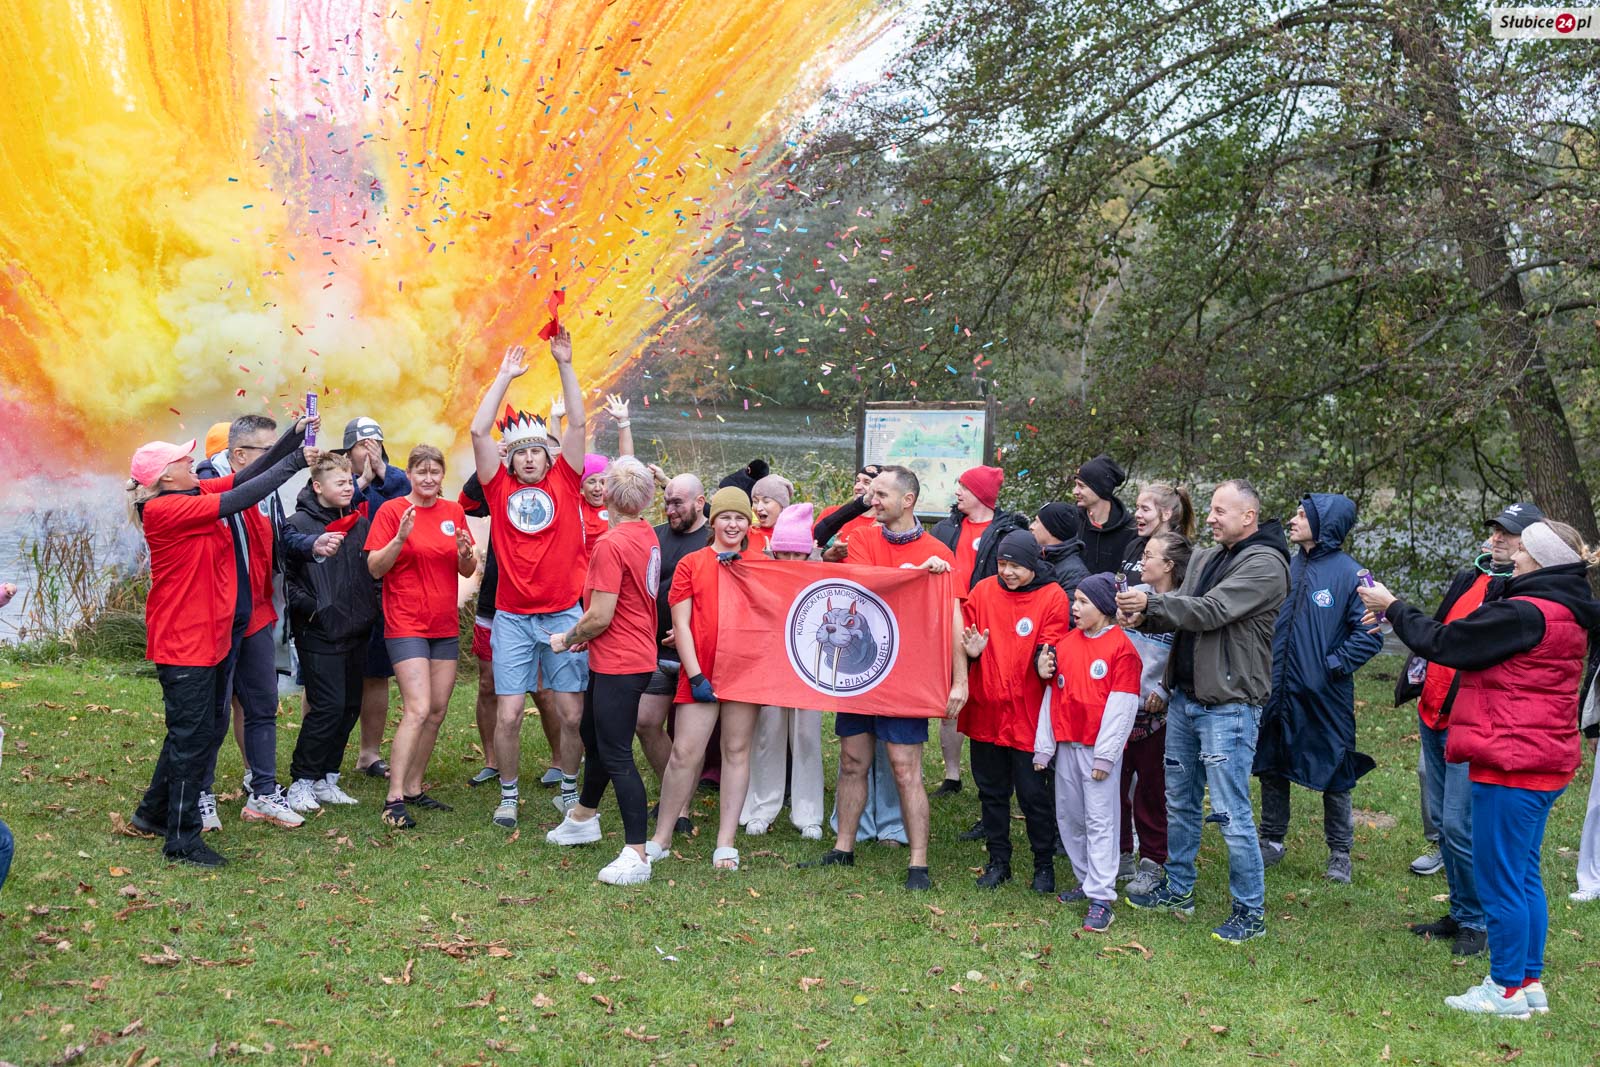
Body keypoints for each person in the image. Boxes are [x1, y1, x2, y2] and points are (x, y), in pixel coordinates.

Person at [1358, 520, 1600, 1018]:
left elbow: (1447, 643)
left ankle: (1506, 988)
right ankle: (1529, 982)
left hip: (1513, 759)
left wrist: (1393, 607)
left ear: (1540, 558)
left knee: (1502, 879)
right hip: (1539, 757)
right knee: (1523, 875)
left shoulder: (1527, 612)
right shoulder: (1560, 606)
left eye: (1523, 549)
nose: (1513, 553)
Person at [126, 428, 315, 866]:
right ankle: (182, 839)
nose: (190, 462)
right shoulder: (167, 508)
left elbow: (247, 479)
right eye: (180, 460)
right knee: (193, 739)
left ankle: (152, 813)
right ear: (163, 478)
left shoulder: (189, 489)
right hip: (184, 642)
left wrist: (291, 439)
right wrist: (296, 463)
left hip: (209, 637)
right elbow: (241, 499)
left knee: (198, 731)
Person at [1119, 480, 1290, 944]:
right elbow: (1184, 611)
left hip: (1229, 706)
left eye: (1219, 510)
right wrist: (1145, 614)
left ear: (1249, 515)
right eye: (1211, 510)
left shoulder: (1266, 564)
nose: (1209, 518)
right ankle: (1179, 889)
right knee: (1180, 801)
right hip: (1186, 698)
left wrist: (1153, 603)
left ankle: (1249, 912)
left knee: (1232, 812)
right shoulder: (1212, 556)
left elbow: (1213, 610)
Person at [803, 465, 968, 891]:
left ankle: (918, 864)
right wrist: (914, 572)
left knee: (905, 768)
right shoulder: (860, 540)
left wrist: (960, 680)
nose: (871, 502)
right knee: (852, 761)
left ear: (907, 500)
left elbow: (954, 621)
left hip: (908, 676)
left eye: (880, 495)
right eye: (871, 494)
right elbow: (866, 589)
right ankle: (843, 848)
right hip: (861, 674)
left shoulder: (940, 553)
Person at [1394, 507, 1533, 955]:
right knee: (1442, 823)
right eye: (1494, 532)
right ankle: (1460, 911)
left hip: (1470, 724)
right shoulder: (1471, 578)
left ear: (1530, 545)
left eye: (1508, 536)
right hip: (1434, 713)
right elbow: (1440, 631)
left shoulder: (1518, 598)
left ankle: (1477, 920)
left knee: (1458, 826)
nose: (1496, 541)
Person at [469, 331, 589, 829]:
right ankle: (509, 795)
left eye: (537, 451)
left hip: (563, 613)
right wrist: (503, 377)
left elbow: (579, 422)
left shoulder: (567, 479)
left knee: (571, 715)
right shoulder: (497, 489)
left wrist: (565, 362)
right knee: (510, 713)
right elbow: (478, 433)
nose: (530, 459)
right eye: (520, 453)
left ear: (548, 454)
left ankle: (567, 787)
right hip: (514, 618)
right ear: (510, 459)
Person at [544, 458, 663, 886]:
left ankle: (637, 853)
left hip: (621, 661)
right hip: (622, 656)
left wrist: (566, 637)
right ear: (648, 498)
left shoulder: (610, 545)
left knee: (616, 754)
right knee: (594, 737)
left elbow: (600, 615)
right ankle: (582, 818)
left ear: (607, 495)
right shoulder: (646, 532)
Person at [1254, 494, 1384, 884]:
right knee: (1271, 761)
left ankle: (1340, 852)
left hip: (1325, 696)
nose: (1292, 521)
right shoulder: (1286, 567)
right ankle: (1271, 839)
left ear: (1324, 525)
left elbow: (1371, 634)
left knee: (1336, 769)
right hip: (1276, 691)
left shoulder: (1354, 575)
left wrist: (1332, 666)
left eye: (1301, 515)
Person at [645, 486, 762, 870]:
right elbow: (681, 623)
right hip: (701, 671)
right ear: (713, 522)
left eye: (740, 518)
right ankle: (662, 836)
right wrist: (695, 675)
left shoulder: (760, 563)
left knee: (736, 751)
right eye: (725, 517)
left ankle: (725, 841)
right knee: (683, 753)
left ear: (748, 524)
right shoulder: (692, 563)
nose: (732, 523)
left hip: (744, 672)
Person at [364, 445, 477, 829]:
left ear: (442, 475)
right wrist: (399, 538)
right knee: (417, 707)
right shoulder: (393, 511)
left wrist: (466, 554)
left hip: (443, 625)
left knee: (437, 711)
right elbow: (375, 568)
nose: (428, 478)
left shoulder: (453, 512)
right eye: (421, 471)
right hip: (406, 623)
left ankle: (414, 786)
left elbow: (466, 568)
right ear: (409, 474)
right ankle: (393, 798)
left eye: (435, 471)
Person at [195, 414, 298, 831]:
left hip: (256, 608)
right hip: (215, 615)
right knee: (214, 711)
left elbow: (278, 535)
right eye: (266, 451)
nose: (273, 459)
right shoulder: (206, 480)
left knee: (261, 703)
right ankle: (199, 794)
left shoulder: (267, 488)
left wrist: (312, 545)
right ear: (239, 454)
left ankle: (263, 792)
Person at [958, 530, 1071, 894]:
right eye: (1002, 564)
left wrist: (1044, 663)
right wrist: (971, 651)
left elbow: (1051, 643)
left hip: (1028, 715)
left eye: (1015, 566)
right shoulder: (984, 590)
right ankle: (998, 862)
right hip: (987, 710)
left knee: (1033, 795)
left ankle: (1043, 865)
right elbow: (964, 633)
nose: (1006, 572)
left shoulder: (1052, 595)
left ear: (1034, 564)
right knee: (991, 792)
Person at [1044, 574, 1143, 932]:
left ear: (1103, 607)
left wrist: (1106, 755)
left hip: (1097, 751)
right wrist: (1046, 746)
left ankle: (1102, 897)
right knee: (1070, 816)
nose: (1075, 607)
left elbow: (1122, 707)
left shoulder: (1122, 649)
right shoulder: (1066, 644)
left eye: (1083, 602)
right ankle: (1086, 880)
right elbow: (1052, 695)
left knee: (1100, 820)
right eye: (1075, 600)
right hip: (1068, 744)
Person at [282, 453, 379, 812]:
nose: (348, 487)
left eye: (350, 481)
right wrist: (315, 610)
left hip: (357, 629)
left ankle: (327, 778)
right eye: (340, 482)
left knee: (350, 706)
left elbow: (371, 571)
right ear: (318, 486)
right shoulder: (297, 525)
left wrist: (372, 607)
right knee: (327, 706)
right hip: (319, 632)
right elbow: (285, 581)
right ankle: (301, 781)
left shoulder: (359, 524)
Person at [930, 465, 1028, 796]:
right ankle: (953, 775)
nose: (957, 492)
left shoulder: (1007, 532)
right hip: (947, 618)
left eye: (965, 488)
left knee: (988, 694)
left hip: (987, 621)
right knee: (950, 696)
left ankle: (998, 776)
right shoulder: (945, 528)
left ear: (982, 495)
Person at [740, 504, 826, 840]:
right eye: (784, 551)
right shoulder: (763, 573)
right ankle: (762, 806)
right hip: (772, 667)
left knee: (807, 736)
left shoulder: (822, 576)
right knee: (767, 734)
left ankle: (809, 812)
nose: (790, 559)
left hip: (810, 669)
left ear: (809, 553)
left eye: (798, 553)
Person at [1118, 531, 1191, 896]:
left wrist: (1165, 690)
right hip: (1119, 709)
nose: (1141, 562)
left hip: (1158, 716)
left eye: (1149, 556)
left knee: (1152, 790)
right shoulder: (1135, 599)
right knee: (1115, 787)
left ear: (1169, 566)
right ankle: (1119, 855)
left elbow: (1186, 658)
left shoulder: (1184, 607)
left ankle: (1153, 862)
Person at [341, 415, 412, 780]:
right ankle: (321, 751)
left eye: (376, 445)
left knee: (376, 674)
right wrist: (360, 482)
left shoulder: (395, 480)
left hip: (381, 591)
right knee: (328, 675)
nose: (370, 452)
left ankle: (369, 753)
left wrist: (381, 471)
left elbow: (406, 502)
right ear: (347, 449)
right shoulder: (334, 477)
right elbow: (323, 507)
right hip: (339, 591)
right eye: (362, 446)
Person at [640, 473, 710, 834]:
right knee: (646, 722)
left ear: (700, 502)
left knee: (687, 739)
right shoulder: (653, 536)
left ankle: (679, 808)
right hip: (653, 650)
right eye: (666, 502)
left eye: (678, 502)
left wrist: (687, 633)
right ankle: (674, 790)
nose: (669, 509)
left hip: (693, 657)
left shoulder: (713, 539)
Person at [1118, 483, 1196, 587]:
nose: (1137, 514)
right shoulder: (1133, 546)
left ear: (1166, 514)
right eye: (1137, 508)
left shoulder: (1180, 552)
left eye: (1145, 509)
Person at [1073, 455, 1137, 576]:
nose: (1075, 491)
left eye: (1081, 486)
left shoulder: (1131, 530)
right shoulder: (1070, 520)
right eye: (1075, 485)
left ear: (1100, 488)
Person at [816, 464, 884, 562]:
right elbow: (808, 554)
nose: (857, 487)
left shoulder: (885, 523)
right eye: (857, 481)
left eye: (867, 482)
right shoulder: (831, 513)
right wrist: (829, 555)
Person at [1031, 503, 1091, 606]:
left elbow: (1070, 616)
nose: (1031, 526)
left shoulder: (1075, 574)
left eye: (1037, 522)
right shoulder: (1034, 557)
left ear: (1051, 529)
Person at [747, 473, 794, 555]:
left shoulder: (796, 537)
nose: (759, 508)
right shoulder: (746, 534)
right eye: (755, 502)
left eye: (766, 501)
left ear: (782, 505)